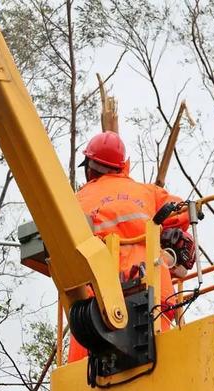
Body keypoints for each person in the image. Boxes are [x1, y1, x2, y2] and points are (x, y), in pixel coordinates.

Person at [68, 131, 196, 362]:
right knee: (163, 357)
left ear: (89, 167)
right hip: (153, 287)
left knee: (81, 371)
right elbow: (187, 210)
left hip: (95, 300)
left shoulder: (78, 200)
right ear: (123, 165)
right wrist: (171, 240)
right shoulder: (148, 193)